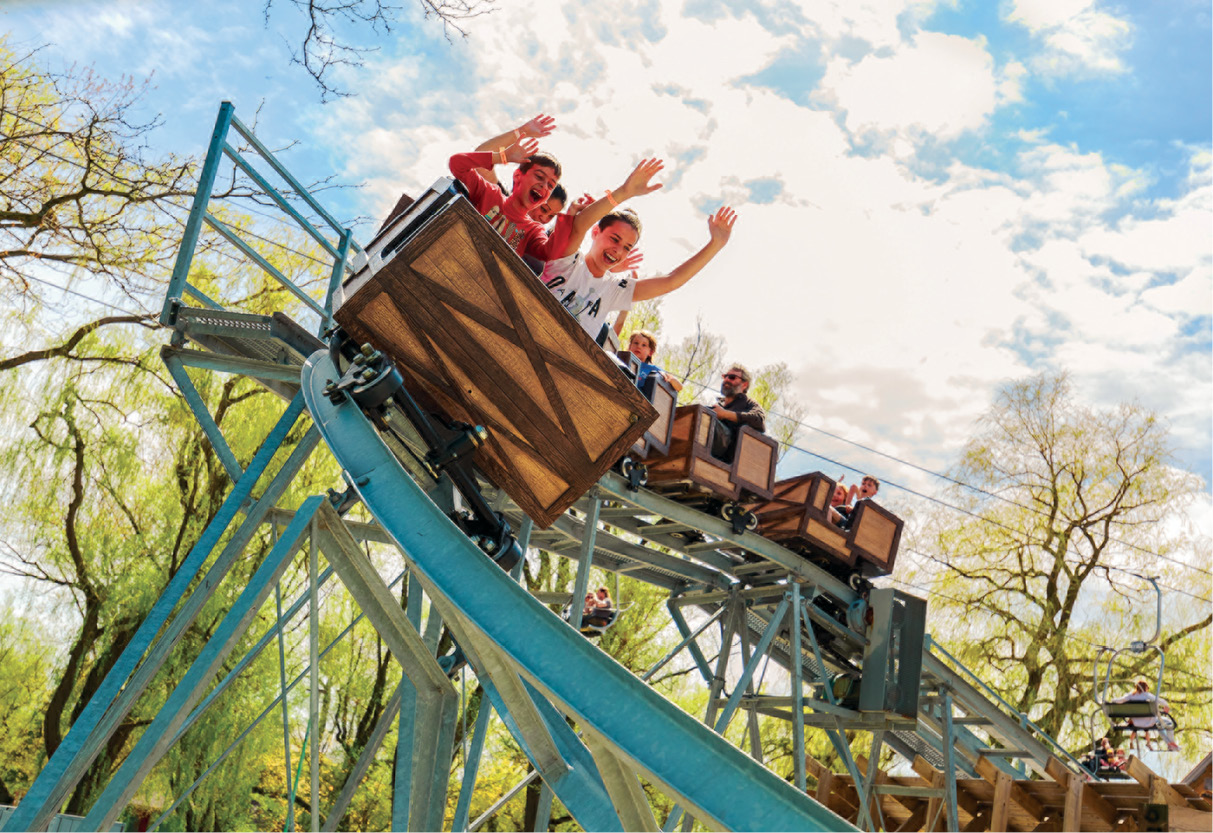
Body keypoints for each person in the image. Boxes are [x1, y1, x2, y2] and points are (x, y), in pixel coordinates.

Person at [450, 122, 664, 263]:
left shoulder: (533, 231)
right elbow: (457, 163)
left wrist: (570, 214)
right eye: (540, 177)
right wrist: (503, 156)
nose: (544, 187)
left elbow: (552, 253)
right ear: (517, 176)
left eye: (551, 185)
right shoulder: (491, 193)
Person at [542, 205, 736, 342]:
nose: (618, 250)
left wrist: (715, 244)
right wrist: (624, 191)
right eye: (614, 239)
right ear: (595, 232)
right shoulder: (568, 260)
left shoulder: (614, 289)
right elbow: (577, 226)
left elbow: (671, 281)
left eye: (627, 247)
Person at [709, 363, 765, 462]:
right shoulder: (718, 404)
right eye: (725, 376)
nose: (726, 380)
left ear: (744, 384)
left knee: (707, 419)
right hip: (707, 446)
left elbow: (759, 420)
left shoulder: (748, 403)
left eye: (732, 377)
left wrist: (725, 414)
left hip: (727, 453)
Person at [1111, 679, 1179, 750]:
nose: (1148, 689)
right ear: (1145, 688)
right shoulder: (1146, 695)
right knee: (1168, 722)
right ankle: (1171, 743)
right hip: (1149, 722)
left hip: (1136, 723)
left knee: (1161, 725)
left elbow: (1120, 700)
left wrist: (1112, 700)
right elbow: (1160, 700)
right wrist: (1166, 705)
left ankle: (1170, 744)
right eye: (1147, 687)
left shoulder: (1131, 695)